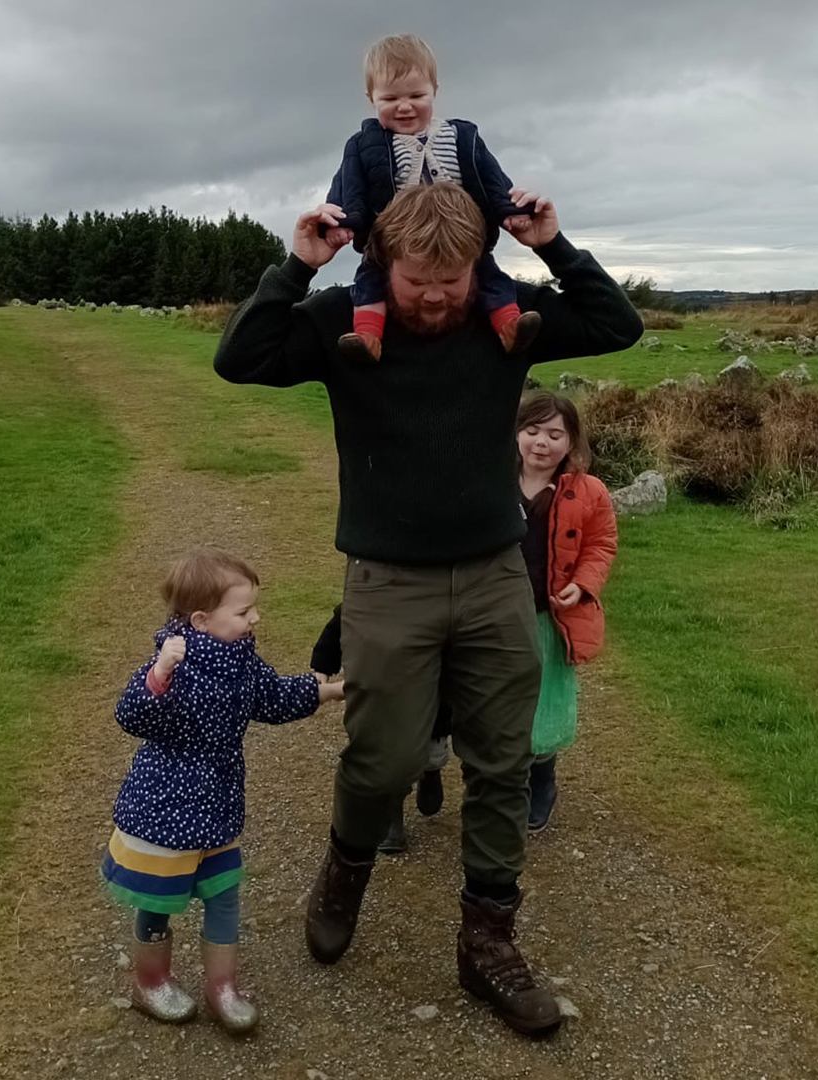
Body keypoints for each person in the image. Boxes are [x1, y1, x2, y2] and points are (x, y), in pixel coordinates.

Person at [213, 181, 641, 1036]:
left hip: (493, 575)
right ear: (383, 263)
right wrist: (298, 266)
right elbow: (241, 356)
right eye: (418, 281)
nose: (438, 297)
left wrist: (551, 246)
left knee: (502, 760)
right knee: (385, 758)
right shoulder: (346, 324)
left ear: (478, 266)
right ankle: (345, 870)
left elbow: (615, 324)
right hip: (388, 579)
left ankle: (488, 941)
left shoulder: (505, 319)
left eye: (454, 278)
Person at [101, 548, 345, 1035]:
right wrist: (158, 676)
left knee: (224, 894)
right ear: (201, 619)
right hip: (165, 809)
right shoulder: (174, 664)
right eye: (243, 611)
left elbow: (273, 697)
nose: (256, 618)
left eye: (253, 607)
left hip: (218, 805)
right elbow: (131, 715)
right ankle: (150, 981)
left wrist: (329, 690)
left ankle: (222, 988)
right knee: (159, 900)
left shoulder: (240, 659)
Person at [325, 33, 540, 363]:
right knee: (370, 279)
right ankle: (367, 336)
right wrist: (340, 223)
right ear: (371, 98)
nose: (404, 106)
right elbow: (348, 187)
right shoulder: (363, 145)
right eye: (390, 98)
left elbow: (492, 177)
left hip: (459, 235)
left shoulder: (462, 136)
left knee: (488, 272)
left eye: (416, 95)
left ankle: (510, 326)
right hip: (393, 241)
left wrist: (511, 210)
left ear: (435, 90)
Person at [511, 392, 618, 831]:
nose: (542, 442)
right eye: (532, 430)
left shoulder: (589, 491)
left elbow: (601, 544)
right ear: (516, 433)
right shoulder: (491, 481)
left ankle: (542, 779)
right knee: (495, 698)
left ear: (571, 441)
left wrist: (583, 583)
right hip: (495, 613)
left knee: (546, 701)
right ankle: (504, 779)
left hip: (549, 618)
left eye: (555, 434)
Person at [311, 605, 451, 854]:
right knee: (388, 760)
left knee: (431, 751)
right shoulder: (376, 596)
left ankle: (430, 772)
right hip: (387, 694)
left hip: (433, 695)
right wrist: (322, 665)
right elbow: (346, 619)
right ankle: (391, 815)